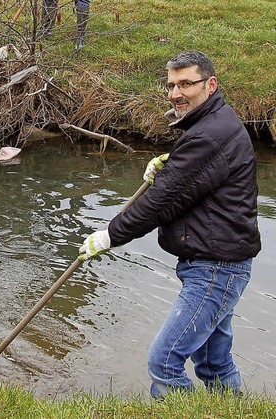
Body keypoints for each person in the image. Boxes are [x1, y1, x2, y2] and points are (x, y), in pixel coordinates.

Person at [78, 50, 261, 398]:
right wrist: (172, 166)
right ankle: (236, 409)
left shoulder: (208, 134)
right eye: (171, 85)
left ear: (211, 84)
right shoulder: (215, 121)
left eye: (186, 84)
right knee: (214, 364)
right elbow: (190, 187)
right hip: (220, 261)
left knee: (164, 361)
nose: (176, 93)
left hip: (216, 268)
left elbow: (159, 203)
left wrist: (110, 236)